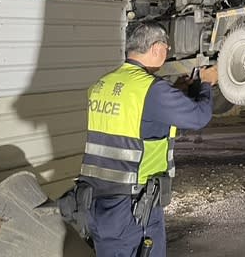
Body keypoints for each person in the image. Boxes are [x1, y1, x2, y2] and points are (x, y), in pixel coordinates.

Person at [79, 22, 218, 256]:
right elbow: (199, 117)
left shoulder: (102, 84)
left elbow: (143, 121)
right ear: (155, 48)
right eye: (166, 46)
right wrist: (206, 83)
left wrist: (179, 91)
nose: (168, 50)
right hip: (135, 207)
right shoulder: (152, 90)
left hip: (96, 202)